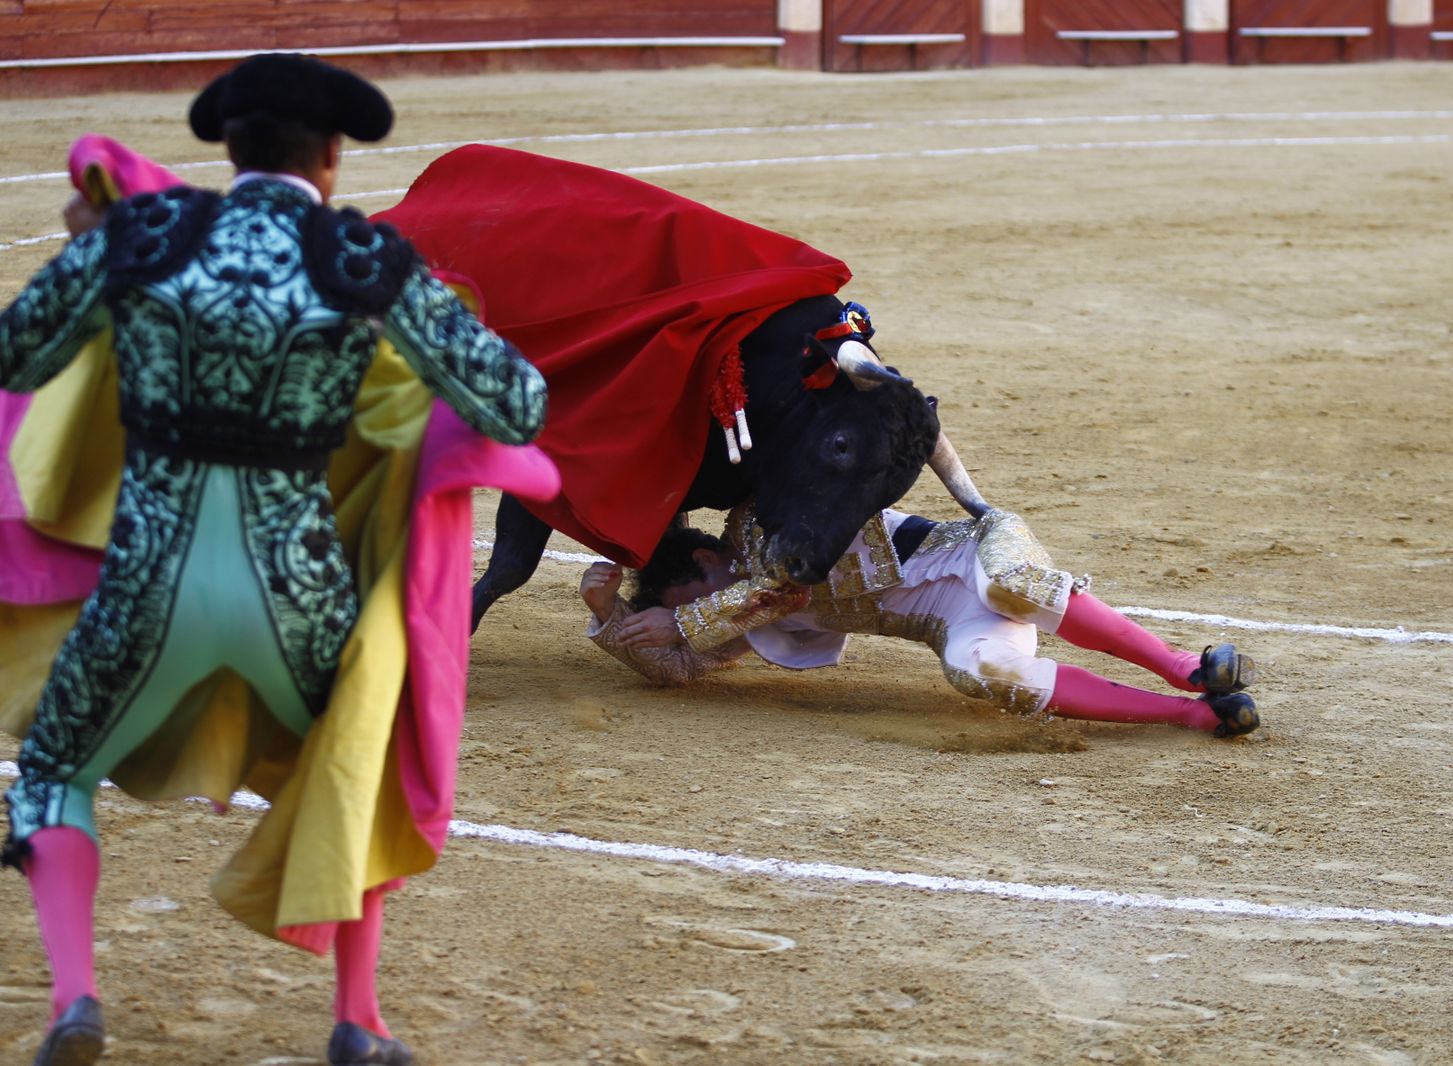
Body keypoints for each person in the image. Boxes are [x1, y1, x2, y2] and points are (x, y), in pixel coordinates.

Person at [0, 55, 547, 1066]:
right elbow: (514, 403)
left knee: (51, 770)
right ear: (334, 156)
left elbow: (15, 357)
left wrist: (92, 258)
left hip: (145, 586)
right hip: (296, 595)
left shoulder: (142, 235)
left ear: (228, 148)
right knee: (361, 762)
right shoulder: (365, 261)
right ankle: (358, 1018)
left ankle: (74, 997)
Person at [582, 504, 1261, 737]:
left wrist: (686, 621)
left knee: (1016, 586)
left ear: (706, 558)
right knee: (983, 672)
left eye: (695, 598)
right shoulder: (732, 611)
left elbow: (785, 587)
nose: (701, 618)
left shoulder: (760, 524)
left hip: (972, 558)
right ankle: (1191, 715)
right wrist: (607, 616)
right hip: (949, 620)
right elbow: (679, 668)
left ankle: (1186, 667)